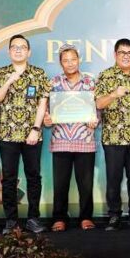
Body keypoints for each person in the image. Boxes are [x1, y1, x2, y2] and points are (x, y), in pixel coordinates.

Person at [0, 34, 50, 234]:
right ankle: (11, 221)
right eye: (14, 47)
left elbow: (42, 104)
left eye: (22, 47)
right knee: (8, 178)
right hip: (7, 134)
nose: (18, 50)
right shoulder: (0, 73)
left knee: (33, 176)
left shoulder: (39, 73)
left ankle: (33, 218)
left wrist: (36, 129)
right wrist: (8, 82)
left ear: (28, 52)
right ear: (9, 52)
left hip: (32, 135)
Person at [95, 38, 130, 231]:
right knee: (113, 179)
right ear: (115, 54)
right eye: (122, 52)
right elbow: (98, 104)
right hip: (113, 137)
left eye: (129, 53)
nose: (126, 56)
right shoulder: (105, 76)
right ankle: (114, 215)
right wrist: (113, 94)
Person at [43, 44, 99, 232]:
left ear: (79, 60)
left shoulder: (90, 83)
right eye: (65, 60)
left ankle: (86, 217)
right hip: (60, 140)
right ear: (60, 63)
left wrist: (95, 119)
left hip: (85, 140)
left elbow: (97, 109)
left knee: (86, 184)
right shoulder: (53, 83)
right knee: (60, 184)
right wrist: (47, 120)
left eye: (73, 59)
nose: (70, 63)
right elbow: (47, 111)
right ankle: (59, 218)